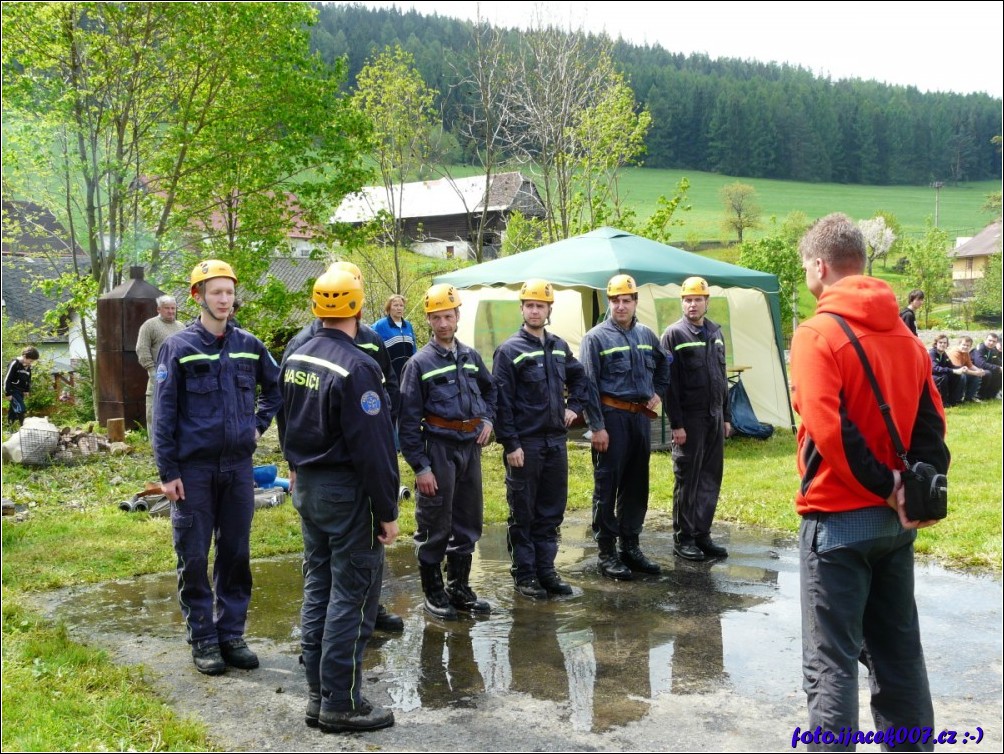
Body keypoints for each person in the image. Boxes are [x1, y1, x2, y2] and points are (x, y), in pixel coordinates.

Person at [789, 213, 949, 750]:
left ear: (819, 266)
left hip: (836, 521)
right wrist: (911, 488)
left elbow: (829, 431)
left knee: (830, 662)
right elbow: (932, 422)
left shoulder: (816, 334)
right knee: (899, 652)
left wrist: (884, 485)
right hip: (896, 525)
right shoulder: (905, 332)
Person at [279, 268, 399, 733]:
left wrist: (294, 468)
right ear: (359, 308)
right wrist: (386, 511)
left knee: (319, 588)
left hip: (307, 485)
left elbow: (285, 423)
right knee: (352, 595)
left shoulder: (296, 356)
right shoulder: (359, 367)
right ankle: (341, 703)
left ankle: (317, 694)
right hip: (346, 492)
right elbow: (374, 449)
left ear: (316, 308)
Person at [154, 260, 282, 676]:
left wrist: (255, 426)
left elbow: (275, 389)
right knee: (193, 556)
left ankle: (231, 634)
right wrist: (168, 470)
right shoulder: (178, 348)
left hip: (238, 467)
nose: (225, 300)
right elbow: (163, 413)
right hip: (193, 470)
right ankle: (204, 639)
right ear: (198, 296)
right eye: (216, 293)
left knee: (236, 553)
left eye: (229, 292)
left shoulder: (249, 343)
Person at [399, 283, 497, 620]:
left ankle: (459, 587)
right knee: (435, 522)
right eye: (437, 317)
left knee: (468, 520)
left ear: (458, 316)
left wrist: (487, 420)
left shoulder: (470, 357)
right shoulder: (418, 363)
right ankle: (433, 591)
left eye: (448, 316)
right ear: (428, 320)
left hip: (469, 449)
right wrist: (421, 467)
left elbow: (490, 390)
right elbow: (407, 421)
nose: (443, 323)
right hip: (438, 449)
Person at [492, 279, 589, 598]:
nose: (535, 310)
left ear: (549, 310)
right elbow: (501, 402)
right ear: (522, 309)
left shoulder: (559, 346)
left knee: (551, 510)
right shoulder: (509, 351)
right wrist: (511, 444)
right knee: (523, 511)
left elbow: (580, 378)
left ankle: (546, 571)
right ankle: (525, 575)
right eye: (529, 305)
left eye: (540, 306)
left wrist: (574, 406)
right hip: (526, 444)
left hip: (555, 443)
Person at [580, 274, 670, 581]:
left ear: (635, 302)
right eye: (616, 300)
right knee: (607, 486)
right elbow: (588, 386)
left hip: (639, 419)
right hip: (611, 419)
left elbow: (664, 364)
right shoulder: (595, 338)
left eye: (627, 300)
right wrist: (597, 427)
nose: (621, 306)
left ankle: (631, 546)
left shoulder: (646, 334)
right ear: (609, 302)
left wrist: (658, 392)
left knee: (636, 485)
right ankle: (607, 553)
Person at [660, 276, 732, 561]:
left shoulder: (716, 332)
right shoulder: (673, 335)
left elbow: (721, 377)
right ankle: (684, 538)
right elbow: (669, 384)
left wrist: (726, 416)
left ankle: (702, 534)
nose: (692, 304)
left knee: (710, 478)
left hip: (714, 417)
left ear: (706, 302)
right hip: (689, 420)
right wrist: (676, 424)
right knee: (688, 479)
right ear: (682, 302)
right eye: (688, 300)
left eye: (697, 299)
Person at [136, 295, 185, 434]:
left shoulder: (181, 327)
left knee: (178, 411)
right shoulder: (149, 325)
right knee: (155, 412)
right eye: (167, 308)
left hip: (178, 376)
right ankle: (155, 448)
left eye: (173, 308)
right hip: (159, 375)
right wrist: (151, 370)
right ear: (158, 309)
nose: (170, 311)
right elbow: (142, 348)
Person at [372, 294, 418, 382]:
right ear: (389, 308)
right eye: (395, 305)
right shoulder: (380, 325)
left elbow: (414, 348)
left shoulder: (408, 326)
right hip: (389, 375)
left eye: (401, 305)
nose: (399, 308)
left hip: (408, 374)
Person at [4, 346, 39, 428]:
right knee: (21, 408)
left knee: (13, 409)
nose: (31, 363)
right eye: (30, 361)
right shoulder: (15, 363)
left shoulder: (28, 367)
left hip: (21, 391)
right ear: (24, 357)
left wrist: (27, 390)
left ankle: (10, 427)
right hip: (13, 390)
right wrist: (7, 393)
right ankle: (23, 428)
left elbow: (28, 379)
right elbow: (7, 379)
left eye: (32, 361)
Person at [946, 336, 986, 404]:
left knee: (975, 376)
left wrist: (979, 370)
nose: (965, 347)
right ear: (959, 344)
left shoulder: (965, 352)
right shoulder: (955, 352)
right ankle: (957, 399)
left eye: (968, 345)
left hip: (960, 371)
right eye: (963, 345)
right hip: (951, 374)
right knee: (962, 376)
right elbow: (959, 370)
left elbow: (970, 365)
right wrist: (976, 373)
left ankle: (969, 398)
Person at [928, 334, 964, 408]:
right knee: (944, 377)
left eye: (945, 343)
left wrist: (961, 368)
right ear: (936, 344)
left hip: (939, 374)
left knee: (957, 376)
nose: (943, 344)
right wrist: (953, 371)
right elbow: (934, 368)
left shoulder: (944, 354)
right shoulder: (932, 353)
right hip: (930, 375)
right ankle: (942, 402)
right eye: (940, 342)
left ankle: (953, 401)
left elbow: (950, 366)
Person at [971, 332, 1002, 400]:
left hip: (984, 369)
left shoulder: (992, 350)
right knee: (987, 373)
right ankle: (978, 396)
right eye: (989, 340)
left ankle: (991, 395)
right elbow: (981, 364)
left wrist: (1000, 368)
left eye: (994, 341)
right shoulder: (980, 348)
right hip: (973, 369)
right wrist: (998, 368)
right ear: (985, 340)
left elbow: (997, 361)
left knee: (1000, 373)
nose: (991, 343)